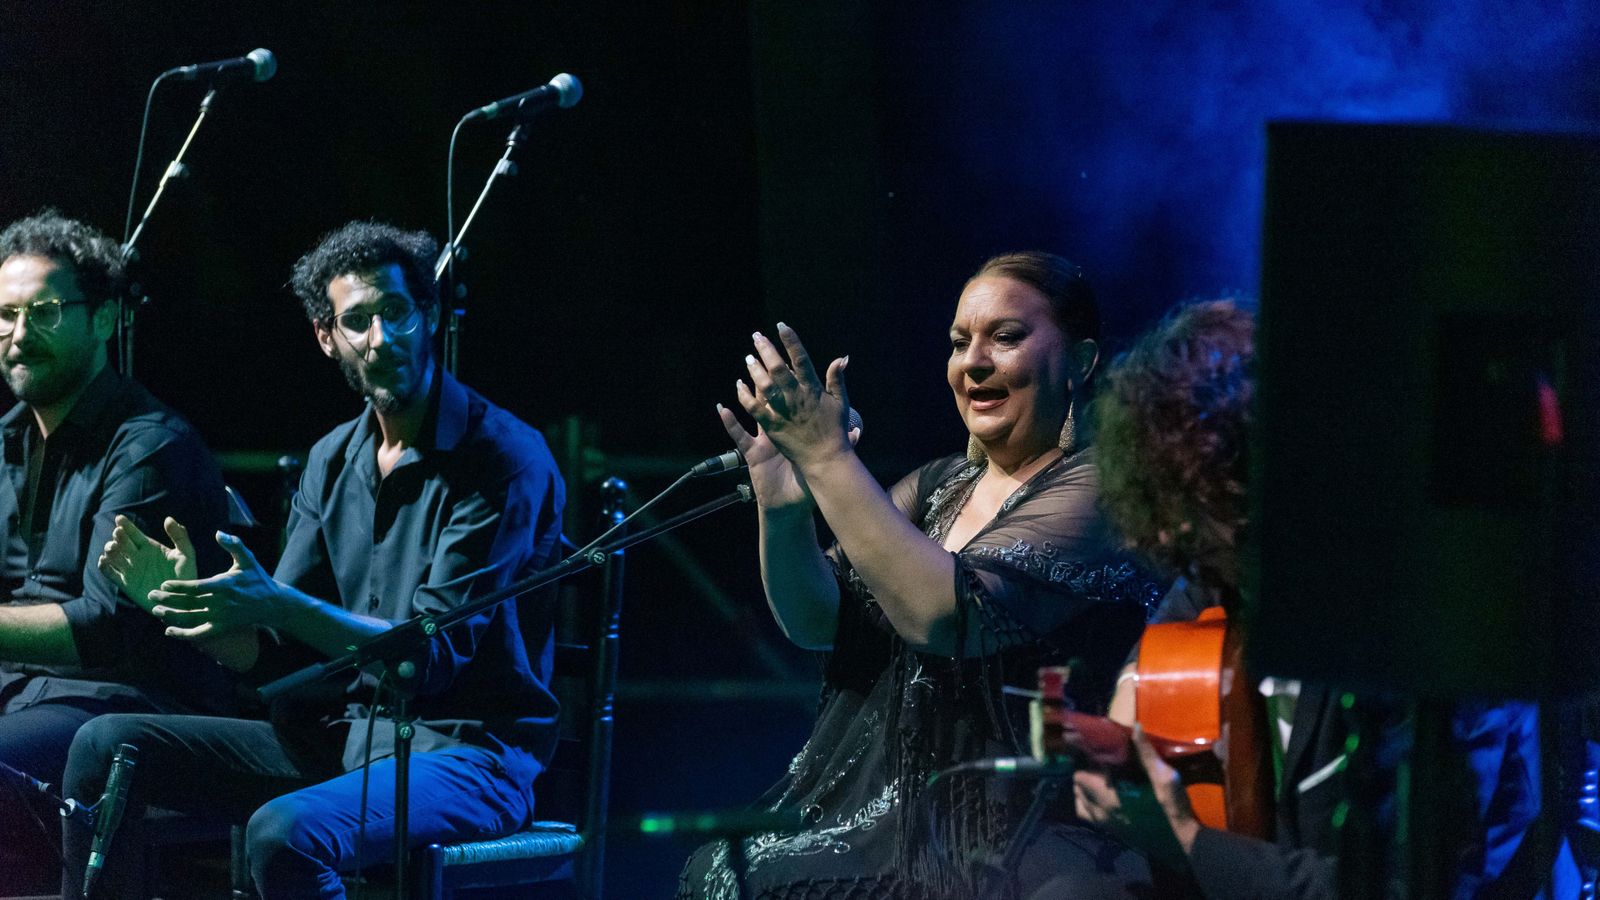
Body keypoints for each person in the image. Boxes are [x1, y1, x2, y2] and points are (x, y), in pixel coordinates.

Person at [64, 221, 566, 899]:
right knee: (104, 745)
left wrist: (278, 604)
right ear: (326, 338)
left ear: (430, 315)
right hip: (345, 743)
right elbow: (283, 660)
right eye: (358, 321)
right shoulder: (332, 459)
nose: (382, 339)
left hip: (468, 754)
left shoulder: (503, 458)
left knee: (284, 833)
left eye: (396, 312)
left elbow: (429, 658)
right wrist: (206, 615)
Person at [677, 252, 1165, 899]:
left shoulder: (1103, 488)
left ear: (1079, 361)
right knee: (721, 868)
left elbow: (944, 616)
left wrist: (827, 458)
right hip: (895, 813)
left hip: (1039, 825)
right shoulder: (935, 488)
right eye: (960, 343)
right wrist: (785, 509)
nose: (974, 362)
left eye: (1006, 337)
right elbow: (818, 620)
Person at [1073, 299, 1544, 899]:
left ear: (1257, 480)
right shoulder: (1227, 569)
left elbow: (1401, 888)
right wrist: (1126, 718)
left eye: (1189, 503)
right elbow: (1164, 649)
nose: (1166, 534)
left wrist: (1187, 842)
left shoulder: (1424, 630)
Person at [0, 211, 233, 895]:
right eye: (4, 316)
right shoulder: (7, 440)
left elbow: (106, 626)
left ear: (102, 320)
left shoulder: (149, 444)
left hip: (126, 705)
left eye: (42, 312)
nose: (18, 336)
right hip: (24, 695)